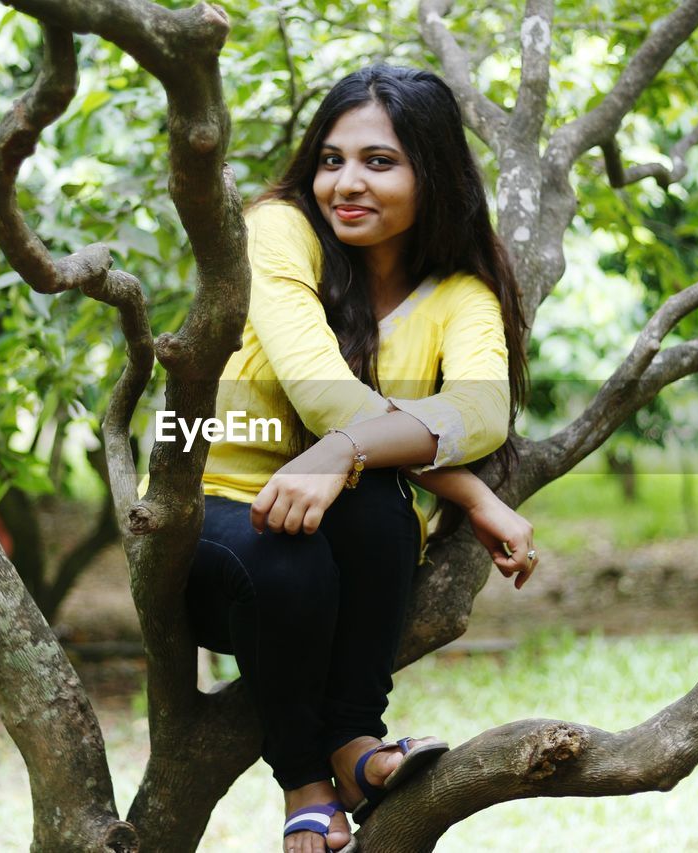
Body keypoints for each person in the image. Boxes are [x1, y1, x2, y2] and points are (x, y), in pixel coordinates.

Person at [184, 65, 539, 853]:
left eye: (379, 162)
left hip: (340, 551)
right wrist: (472, 495)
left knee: (376, 503)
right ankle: (305, 780)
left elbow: (481, 411)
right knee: (290, 557)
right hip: (207, 516)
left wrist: (347, 450)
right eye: (332, 159)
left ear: (433, 174)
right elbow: (322, 394)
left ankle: (354, 746)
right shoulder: (279, 228)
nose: (346, 183)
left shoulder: (459, 295)